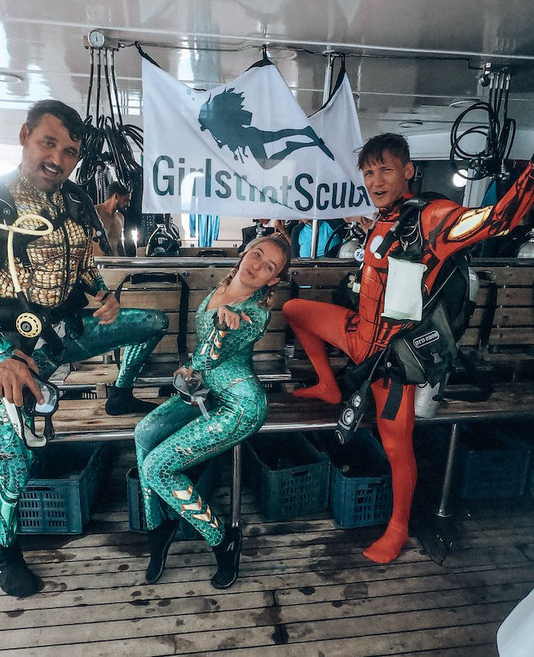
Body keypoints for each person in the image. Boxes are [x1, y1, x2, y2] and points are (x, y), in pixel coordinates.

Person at [0, 100, 168, 597]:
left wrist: (102, 295)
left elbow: (82, 270)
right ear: (25, 134)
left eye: (69, 150)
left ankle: (119, 393)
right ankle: (5, 552)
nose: (58, 158)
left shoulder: (74, 203)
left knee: (151, 322)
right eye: (48, 143)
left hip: (65, 335)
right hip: (10, 357)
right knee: (16, 464)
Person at [283, 133, 534, 565]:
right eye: (368, 172)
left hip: (390, 357)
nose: (376, 180)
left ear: (408, 170)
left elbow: (499, 220)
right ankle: (328, 385)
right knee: (294, 309)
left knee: (397, 444)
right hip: (357, 332)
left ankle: (398, 527)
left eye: (386, 169)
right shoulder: (385, 217)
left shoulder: (433, 217)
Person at [135, 234, 291, 589]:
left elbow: (210, 357)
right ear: (244, 253)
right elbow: (199, 363)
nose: (257, 266)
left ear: (273, 280)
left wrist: (222, 328)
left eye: (269, 266)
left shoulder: (254, 314)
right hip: (207, 395)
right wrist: (186, 370)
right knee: (144, 432)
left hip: (240, 407)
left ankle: (223, 541)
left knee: (157, 468)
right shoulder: (216, 293)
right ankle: (157, 527)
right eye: (257, 254)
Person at [94, 181, 131, 256]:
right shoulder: (94, 213)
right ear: (116, 196)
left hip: (115, 264)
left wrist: (125, 264)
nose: (128, 204)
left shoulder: (120, 218)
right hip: (97, 263)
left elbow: (119, 245)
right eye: (125, 200)